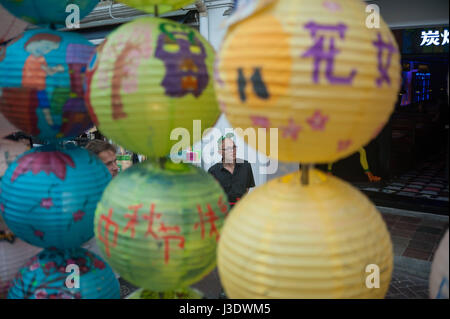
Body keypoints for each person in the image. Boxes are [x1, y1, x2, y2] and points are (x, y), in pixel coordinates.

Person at [208, 133, 255, 207]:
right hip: (223, 210)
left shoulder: (246, 166)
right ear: (220, 152)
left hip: (241, 208)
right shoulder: (213, 171)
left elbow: (247, 188)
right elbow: (212, 195)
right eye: (228, 149)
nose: (232, 151)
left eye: (234, 147)